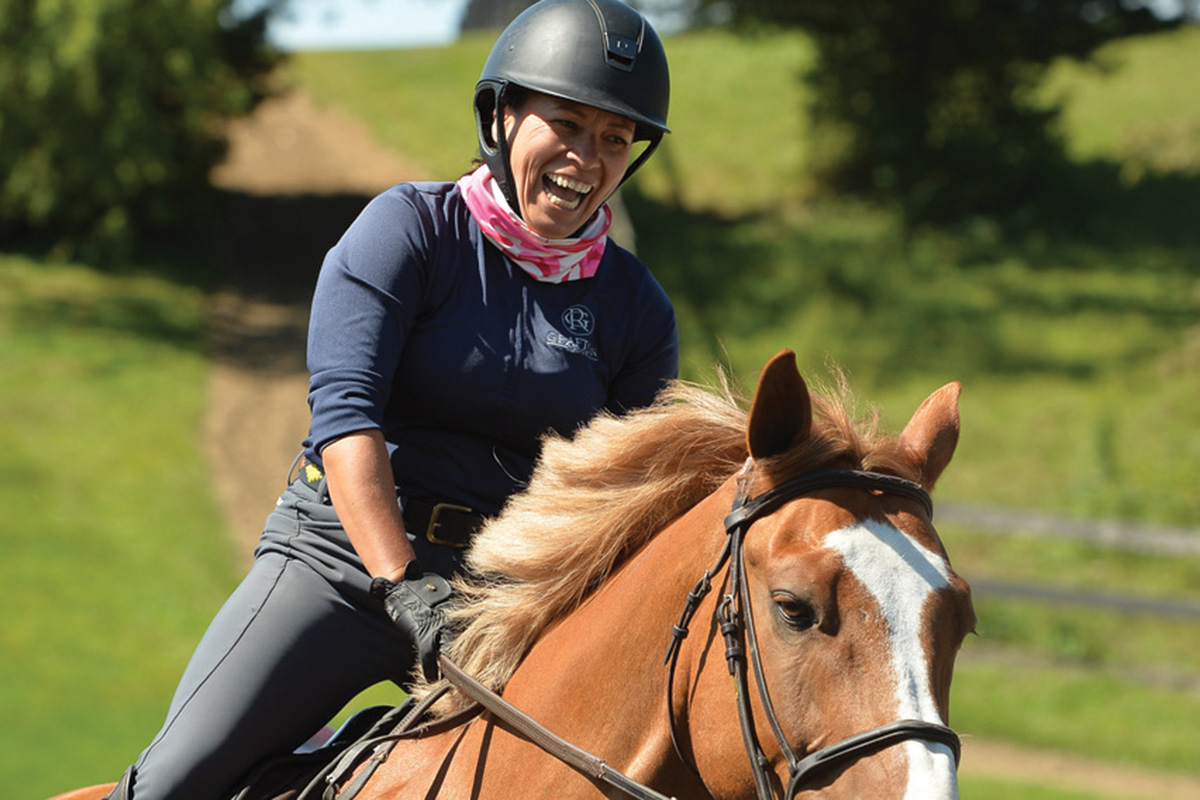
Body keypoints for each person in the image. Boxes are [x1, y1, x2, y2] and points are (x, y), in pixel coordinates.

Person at [105, 1, 677, 798]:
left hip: (502, 600)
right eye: (567, 123)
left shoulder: (636, 308)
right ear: (502, 115)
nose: (587, 155)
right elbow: (345, 422)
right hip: (338, 565)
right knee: (172, 783)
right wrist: (401, 580)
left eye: (615, 137)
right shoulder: (408, 230)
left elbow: (630, 497)